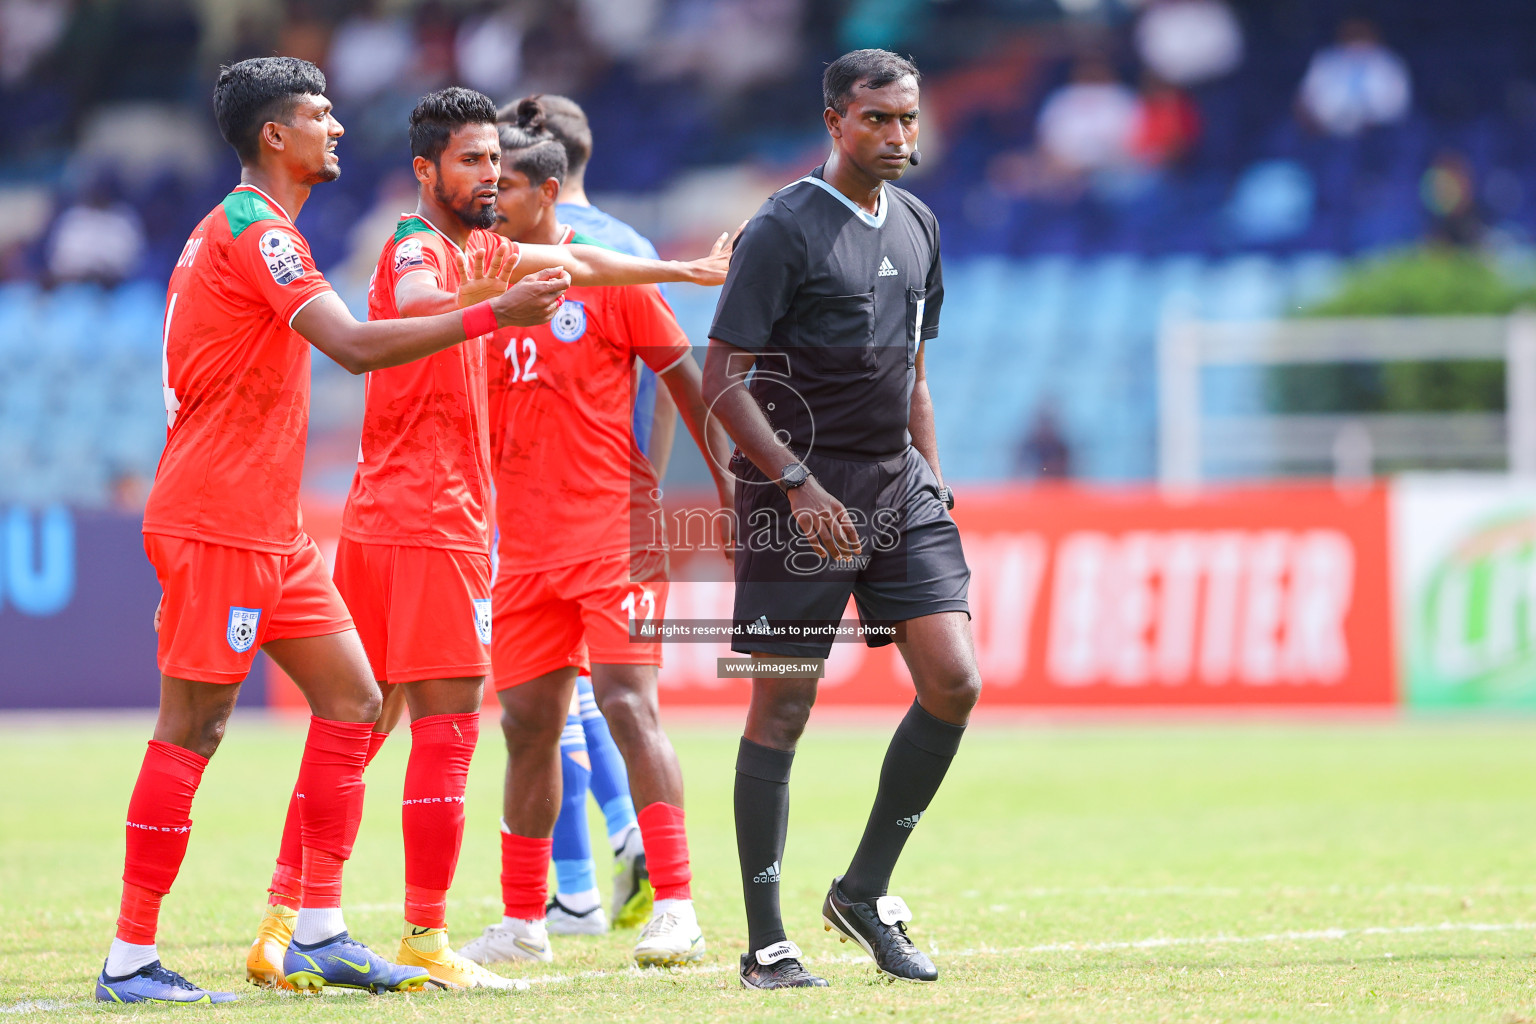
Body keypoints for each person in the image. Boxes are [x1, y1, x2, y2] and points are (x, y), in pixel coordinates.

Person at [96, 56, 570, 1004]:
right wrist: (489, 316)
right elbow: (353, 348)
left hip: (274, 529)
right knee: (196, 725)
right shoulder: (252, 231)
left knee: (355, 704)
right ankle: (130, 958)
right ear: (276, 135)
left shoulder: (264, 232)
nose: (338, 127)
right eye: (320, 114)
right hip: (217, 519)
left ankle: (316, 929)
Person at [242, 86, 731, 991]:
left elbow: (583, 271)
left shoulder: (486, 249)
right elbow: (427, 293)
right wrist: (487, 310)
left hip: (430, 521)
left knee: (359, 721)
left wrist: (683, 275)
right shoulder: (420, 246)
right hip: (438, 524)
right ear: (428, 169)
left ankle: (290, 914)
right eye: (472, 162)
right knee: (449, 729)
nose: (489, 179)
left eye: (496, 166)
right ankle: (427, 932)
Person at [702, 48, 981, 990]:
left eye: (907, 118)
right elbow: (722, 383)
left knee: (954, 680)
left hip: (898, 486)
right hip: (797, 495)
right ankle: (766, 944)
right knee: (783, 703)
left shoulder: (921, 225)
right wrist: (796, 488)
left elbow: (915, 373)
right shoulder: (782, 228)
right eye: (877, 120)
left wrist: (933, 480)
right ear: (835, 121)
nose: (898, 136)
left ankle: (862, 892)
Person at [459, 103, 735, 971]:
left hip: (617, 531)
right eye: (484, 186)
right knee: (528, 728)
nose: (489, 201)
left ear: (547, 193)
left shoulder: (609, 284)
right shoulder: (483, 284)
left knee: (626, 704)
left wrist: (730, 494)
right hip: (526, 546)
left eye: (504, 188)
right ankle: (524, 921)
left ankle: (678, 907)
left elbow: (688, 384)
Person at [499, 91, 675, 935]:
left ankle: (581, 884)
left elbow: (676, 366)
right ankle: (581, 880)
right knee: (567, 705)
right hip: (597, 498)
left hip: (578, 508)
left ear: (543, 173)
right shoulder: (631, 243)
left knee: (581, 704)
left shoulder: (572, 256)